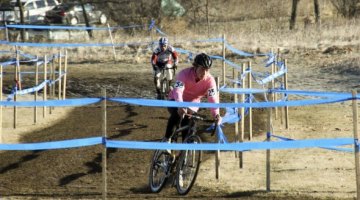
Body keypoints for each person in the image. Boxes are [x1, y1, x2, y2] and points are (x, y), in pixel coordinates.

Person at [164, 53, 222, 142]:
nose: (205, 73)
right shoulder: (184, 74)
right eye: (202, 69)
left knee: (189, 125)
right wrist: (180, 105)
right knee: (177, 115)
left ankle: (184, 151)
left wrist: (216, 114)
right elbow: (178, 91)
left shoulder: (210, 81)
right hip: (175, 99)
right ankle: (167, 140)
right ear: (195, 67)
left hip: (192, 105)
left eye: (207, 70)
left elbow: (213, 98)